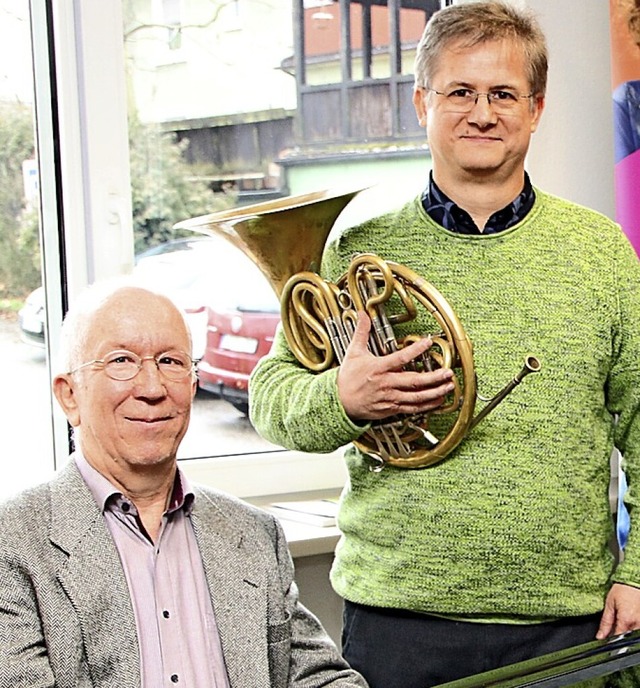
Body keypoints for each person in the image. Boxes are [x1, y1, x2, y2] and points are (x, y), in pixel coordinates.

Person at [249, 2, 640, 687]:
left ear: (536, 108)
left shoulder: (602, 252)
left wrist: (638, 574)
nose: (481, 113)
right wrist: (346, 396)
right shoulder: (354, 248)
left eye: (503, 94)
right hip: (398, 621)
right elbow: (271, 399)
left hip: (566, 621)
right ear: (422, 102)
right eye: (460, 91)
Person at [0, 279, 369, 688]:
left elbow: (317, 677)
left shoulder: (253, 534)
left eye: (171, 362)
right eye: (122, 361)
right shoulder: (13, 542)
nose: (153, 388)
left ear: (193, 386)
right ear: (69, 395)